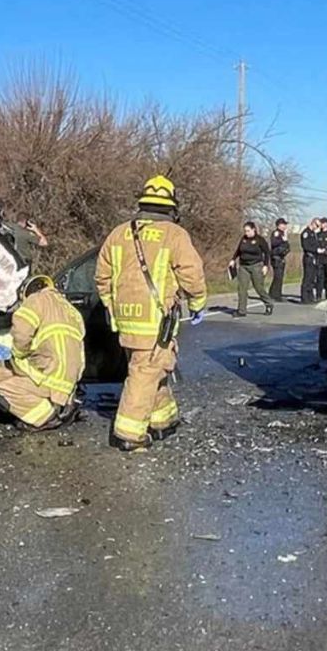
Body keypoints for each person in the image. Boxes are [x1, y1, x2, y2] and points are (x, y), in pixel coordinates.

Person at [95, 174, 208, 452]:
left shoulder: (118, 233)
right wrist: (197, 303)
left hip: (125, 320)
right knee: (145, 373)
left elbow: (102, 276)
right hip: (156, 321)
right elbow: (191, 273)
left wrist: (112, 307)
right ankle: (128, 434)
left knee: (151, 369)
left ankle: (163, 421)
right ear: (171, 207)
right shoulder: (174, 234)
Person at [0, 275, 85, 431]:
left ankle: (46, 417)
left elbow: (21, 331)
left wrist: (17, 354)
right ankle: (63, 406)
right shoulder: (72, 311)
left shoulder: (37, 299)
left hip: (49, 372)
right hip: (69, 379)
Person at [229, 221, 274, 317]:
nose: (246, 233)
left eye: (248, 231)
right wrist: (233, 259)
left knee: (258, 287)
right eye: (245, 231)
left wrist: (266, 265)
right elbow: (238, 250)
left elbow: (267, 253)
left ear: (254, 230)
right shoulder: (243, 239)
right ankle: (241, 310)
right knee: (242, 288)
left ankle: (268, 303)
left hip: (256, 265)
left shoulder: (259, 240)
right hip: (243, 266)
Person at [268, 218, 290, 302]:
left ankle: (275, 293)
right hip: (276, 257)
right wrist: (282, 240)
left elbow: (287, 246)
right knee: (278, 276)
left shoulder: (283, 234)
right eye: (283, 224)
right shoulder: (276, 233)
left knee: (280, 277)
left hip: (281, 257)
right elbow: (274, 243)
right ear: (279, 225)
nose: (285, 226)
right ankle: (275, 295)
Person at [300, 217, 321, 303]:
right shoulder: (306, 233)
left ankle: (310, 297)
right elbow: (306, 246)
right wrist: (316, 250)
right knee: (307, 278)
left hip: (314, 258)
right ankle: (304, 297)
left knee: (312, 278)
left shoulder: (313, 234)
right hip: (308, 257)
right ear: (312, 223)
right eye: (317, 225)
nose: (317, 227)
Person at [317, 217, 327, 300]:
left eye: (323, 223)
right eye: (321, 223)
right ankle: (318, 295)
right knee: (319, 277)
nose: (322, 225)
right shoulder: (318, 234)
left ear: (326, 223)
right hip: (320, 258)